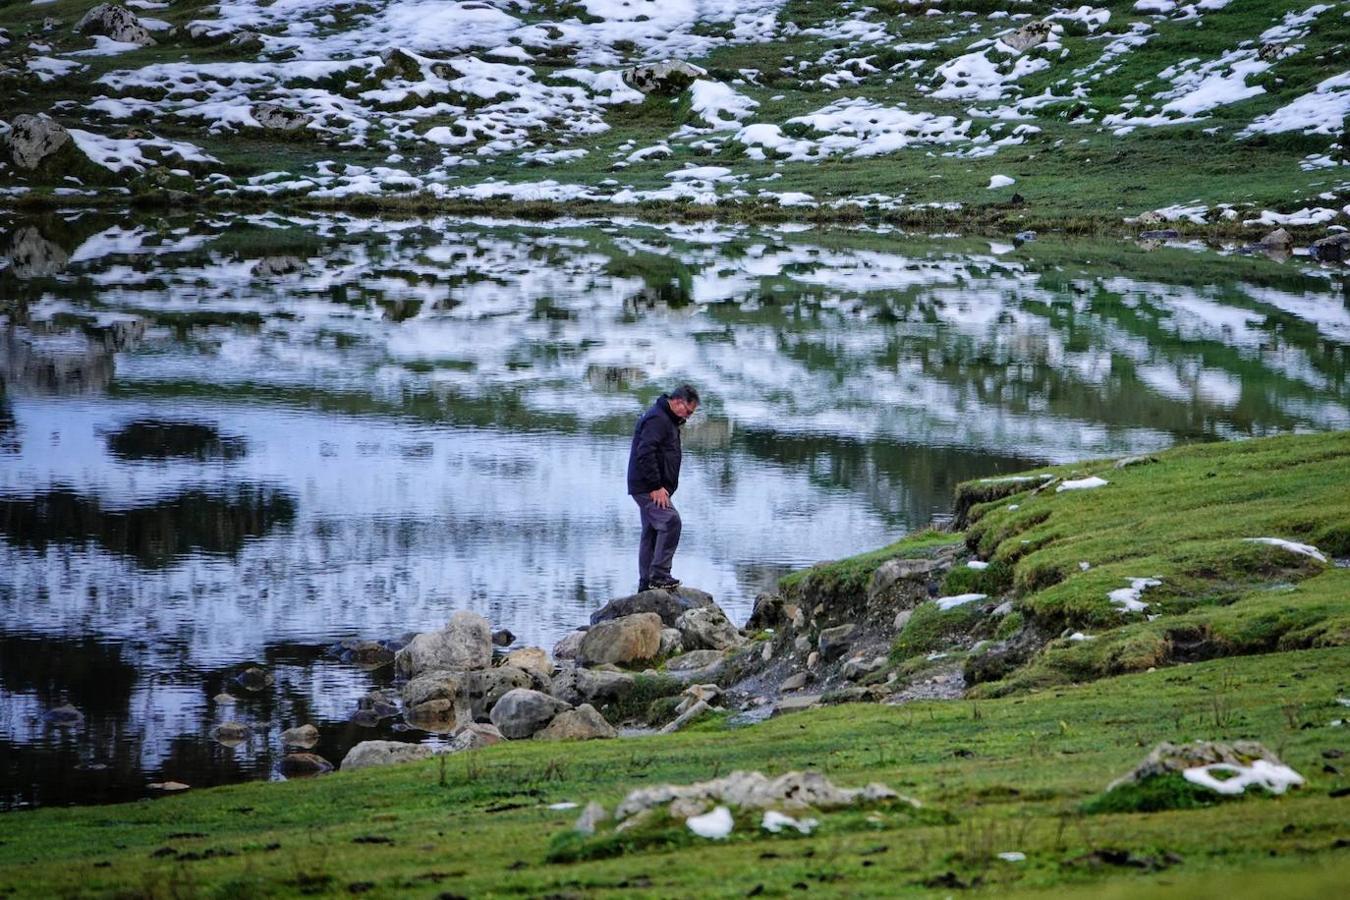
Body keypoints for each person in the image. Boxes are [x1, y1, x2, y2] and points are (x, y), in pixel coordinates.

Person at [626, 384, 699, 592]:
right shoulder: (658, 419)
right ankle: (659, 576)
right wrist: (656, 486)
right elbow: (645, 453)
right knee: (670, 522)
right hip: (647, 487)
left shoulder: (667, 419)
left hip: (647, 486)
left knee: (652, 530)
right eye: (688, 411)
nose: (689, 416)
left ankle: (645, 583)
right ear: (677, 401)